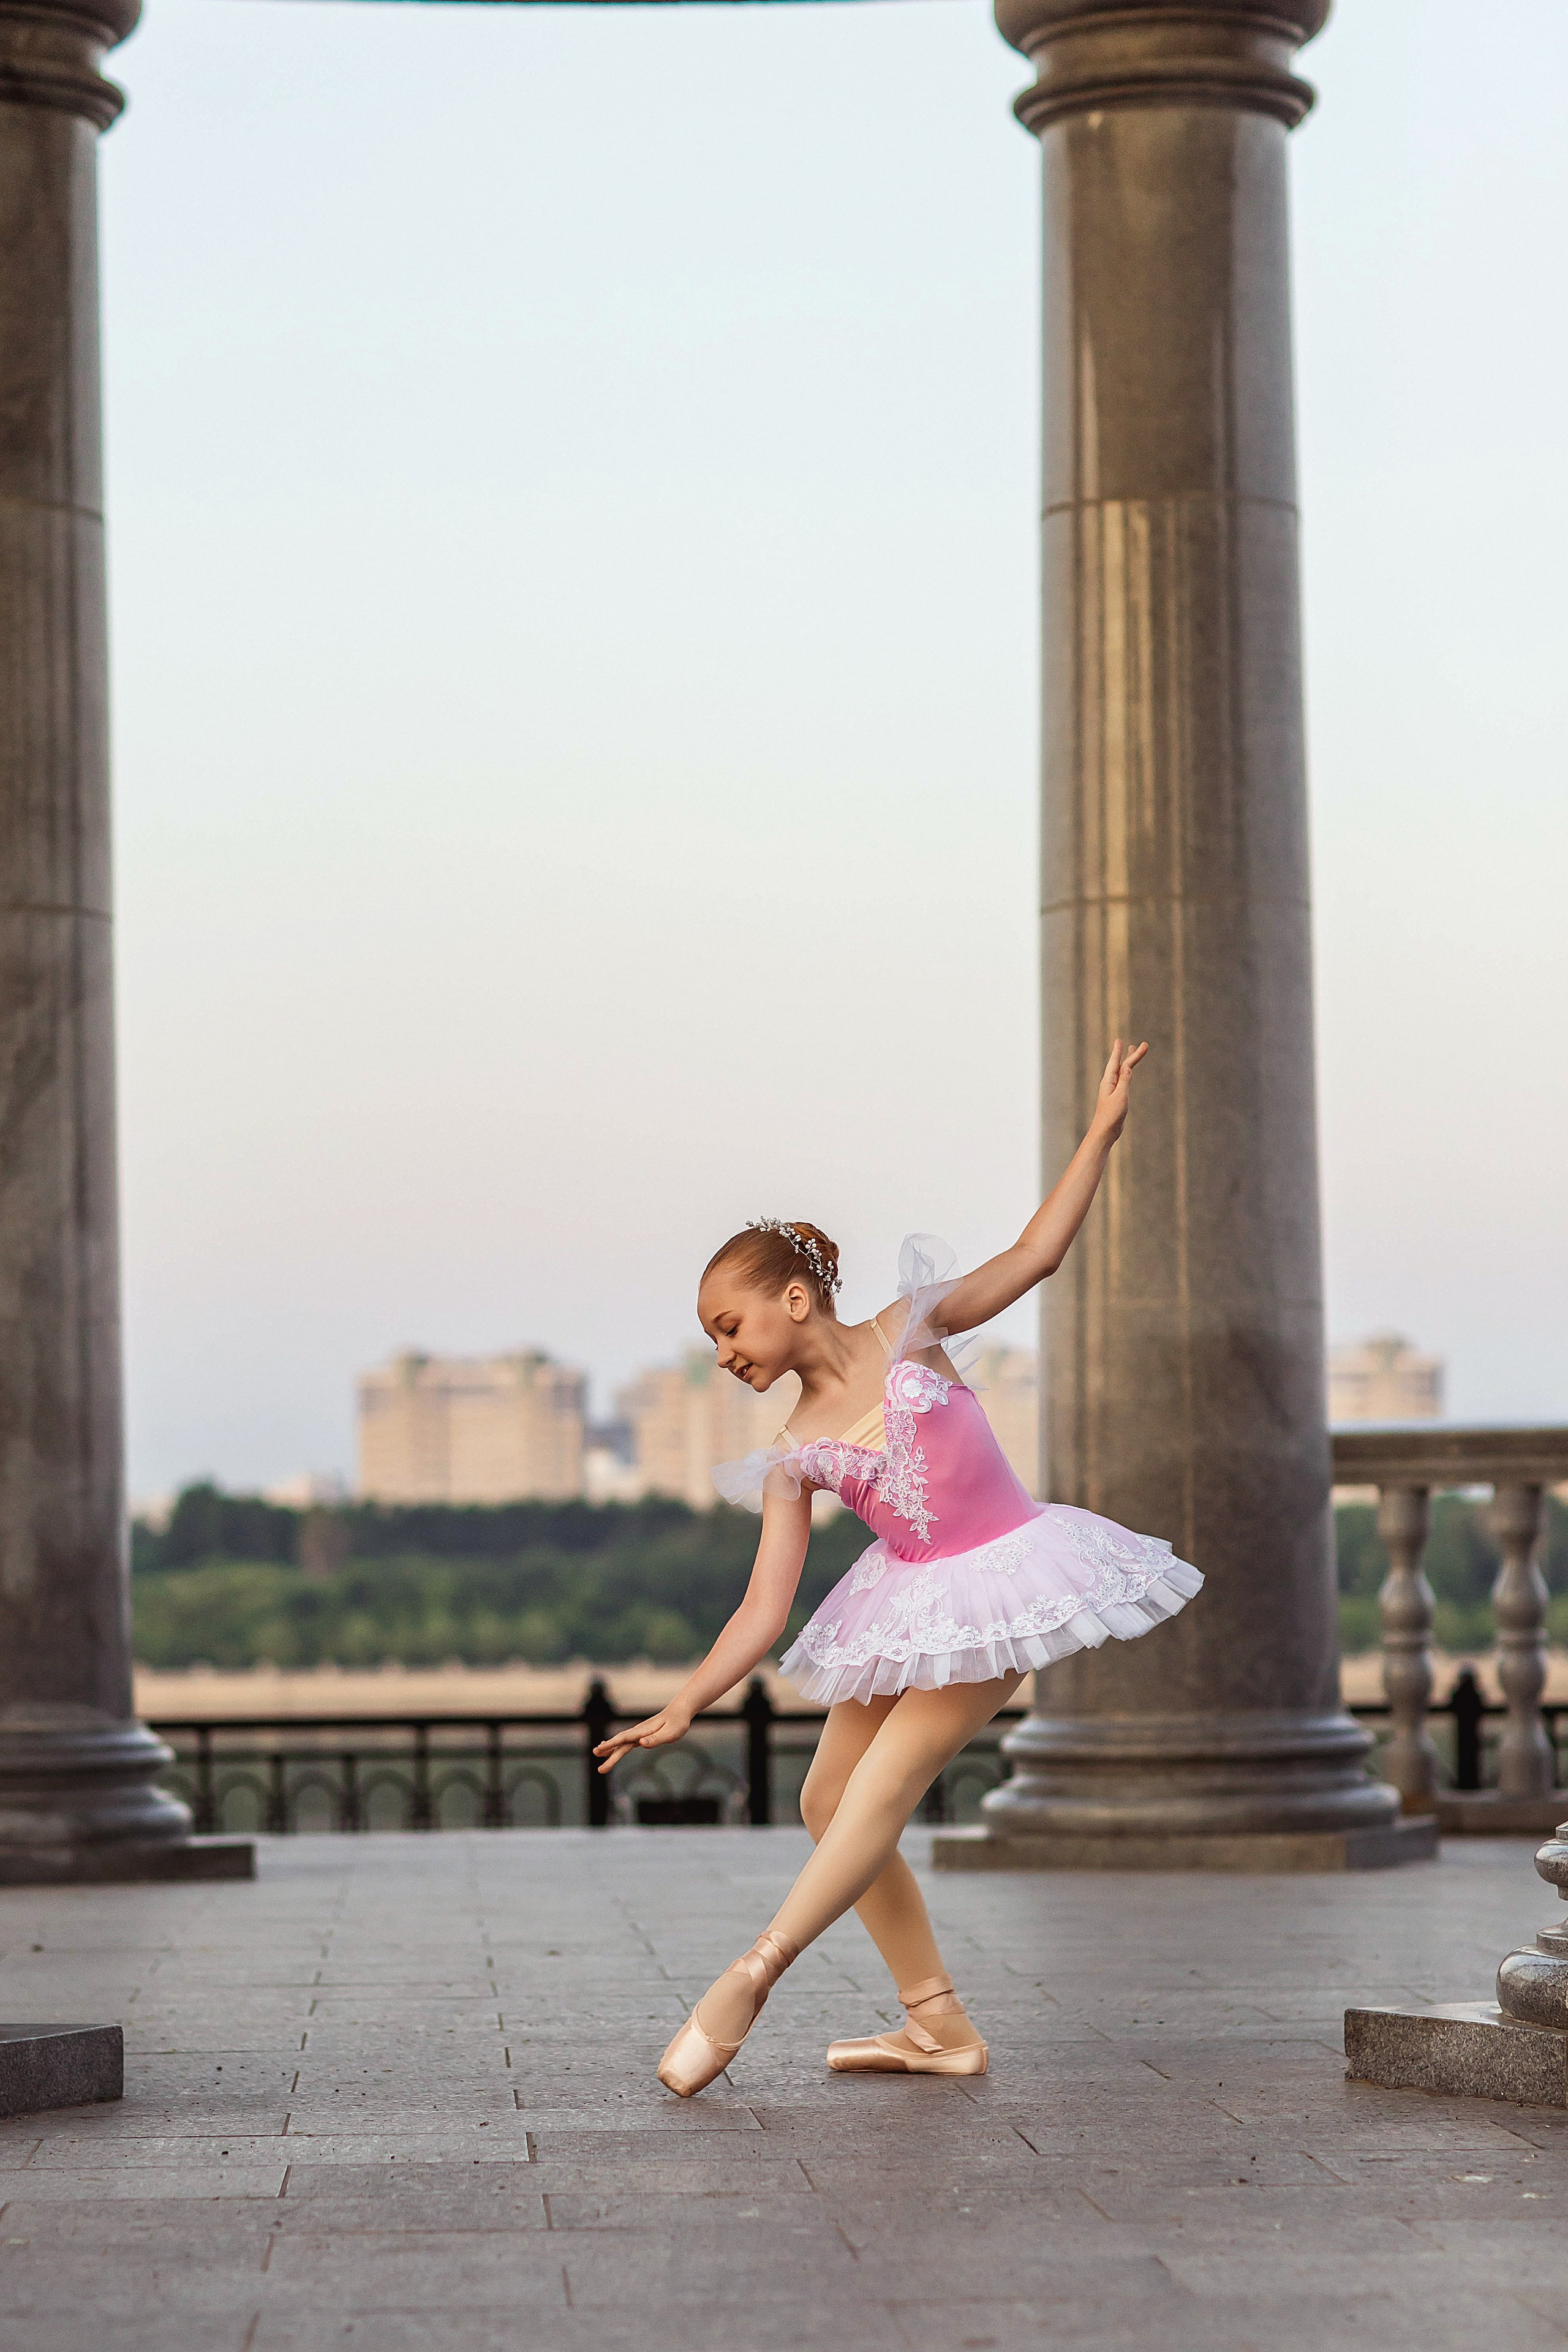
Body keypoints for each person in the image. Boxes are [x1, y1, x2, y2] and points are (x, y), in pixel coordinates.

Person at [594, 1039, 1201, 2097]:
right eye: (710, 1339)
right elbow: (762, 1609)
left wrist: (1099, 1136)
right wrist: (687, 1703)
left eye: (729, 1325)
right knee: (827, 1800)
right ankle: (938, 2026)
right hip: (907, 1600)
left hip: (1005, 1579)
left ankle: (755, 1972)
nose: (724, 1352)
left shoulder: (910, 1327)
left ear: (794, 1297)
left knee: (880, 1789)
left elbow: (1035, 1256)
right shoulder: (787, 1456)